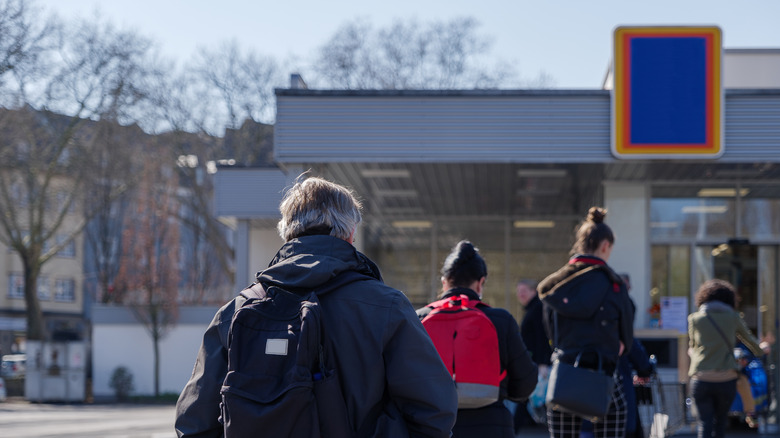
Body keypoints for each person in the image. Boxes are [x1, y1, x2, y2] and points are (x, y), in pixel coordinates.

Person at [175, 175, 458, 438]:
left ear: (287, 233)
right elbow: (433, 410)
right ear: (350, 233)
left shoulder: (235, 312)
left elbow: (193, 422)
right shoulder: (386, 307)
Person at [416, 240, 538, 438]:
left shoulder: (418, 319)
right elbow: (526, 382)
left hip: (433, 426)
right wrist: (499, 390)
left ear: (444, 281)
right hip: (492, 426)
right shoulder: (500, 320)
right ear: (481, 283)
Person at [538, 207, 635, 438]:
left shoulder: (557, 285)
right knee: (614, 417)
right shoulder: (614, 284)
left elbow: (550, 330)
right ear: (605, 246)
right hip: (604, 376)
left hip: (565, 374)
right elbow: (626, 337)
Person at [687, 279, 767, 438]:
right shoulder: (733, 317)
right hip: (726, 379)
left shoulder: (694, 319)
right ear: (729, 298)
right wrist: (762, 349)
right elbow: (751, 343)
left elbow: (693, 347)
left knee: (704, 423)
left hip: (701, 378)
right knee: (721, 423)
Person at [515, 279, 553, 429]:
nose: (521, 295)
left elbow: (542, 336)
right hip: (533, 362)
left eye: (524, 291)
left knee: (527, 397)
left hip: (537, 363)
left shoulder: (537, 309)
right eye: (519, 292)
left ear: (533, 291)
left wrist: (543, 362)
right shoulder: (532, 309)